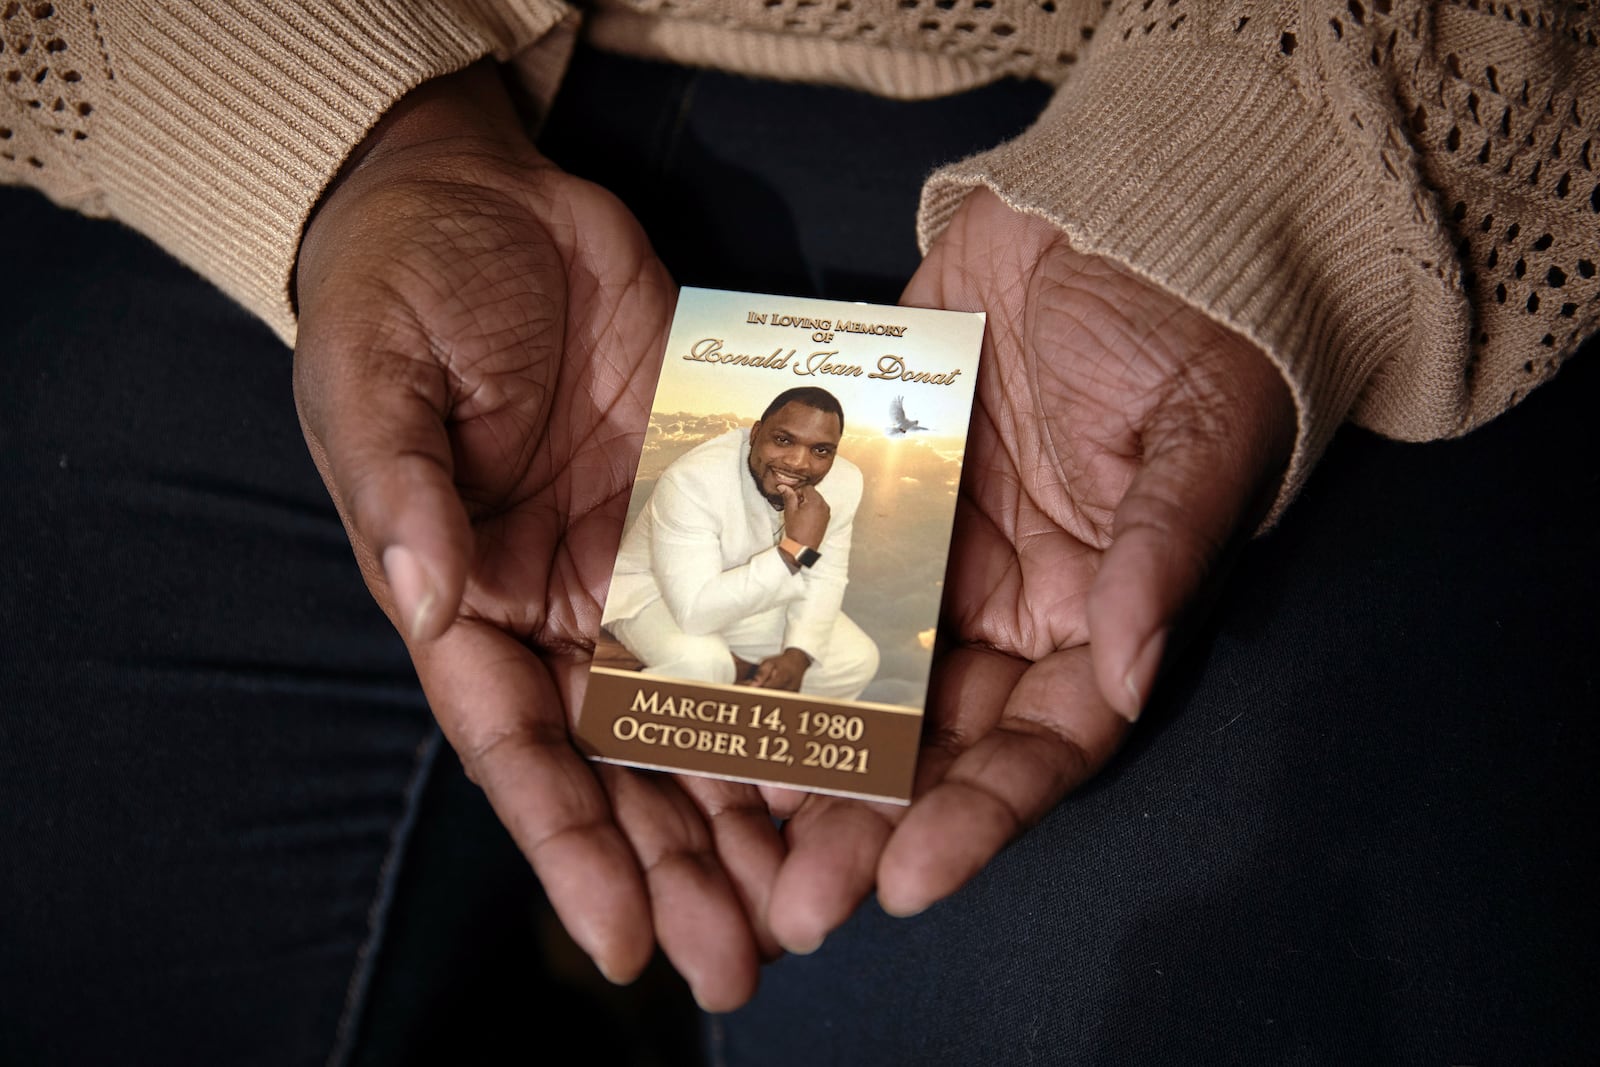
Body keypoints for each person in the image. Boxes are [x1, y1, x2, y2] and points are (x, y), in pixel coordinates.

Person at [2, 0, 1596, 1063]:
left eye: (809, 442)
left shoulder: (830, 513)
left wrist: (1266, 165)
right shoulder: (725, 507)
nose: (796, 454)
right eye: (790, 439)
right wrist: (345, 144)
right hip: (354, 95)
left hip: (1186, 108)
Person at [604, 386, 879, 697]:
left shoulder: (843, 483)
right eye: (783, 440)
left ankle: (761, 738)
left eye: (821, 450)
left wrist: (798, 655)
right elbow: (694, 612)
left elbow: (822, 572)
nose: (799, 463)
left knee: (856, 660)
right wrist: (794, 551)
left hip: (754, 592)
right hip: (658, 592)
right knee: (704, 665)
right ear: (756, 434)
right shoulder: (692, 479)